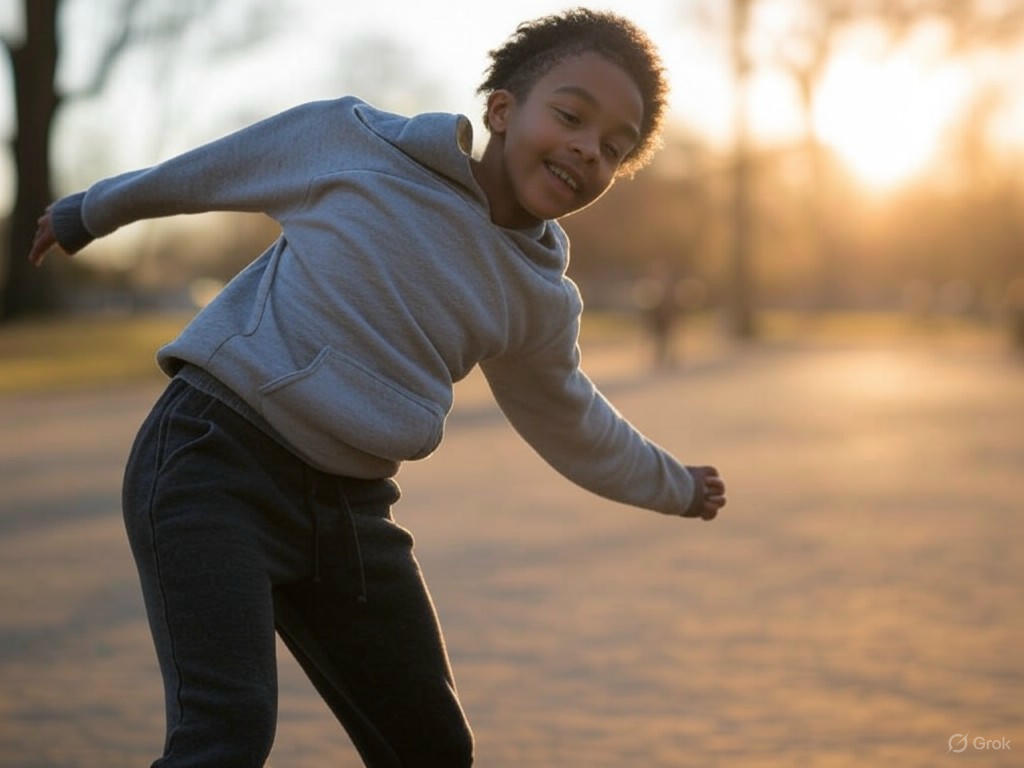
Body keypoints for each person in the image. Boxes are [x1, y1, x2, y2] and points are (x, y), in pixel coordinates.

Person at [29, 8, 726, 767]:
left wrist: (674, 484)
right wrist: (91, 210)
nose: (587, 149)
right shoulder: (359, 147)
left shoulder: (538, 298)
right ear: (501, 109)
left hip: (352, 511)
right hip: (213, 458)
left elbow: (572, 420)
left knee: (432, 748)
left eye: (613, 151)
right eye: (570, 115)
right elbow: (216, 168)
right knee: (225, 735)